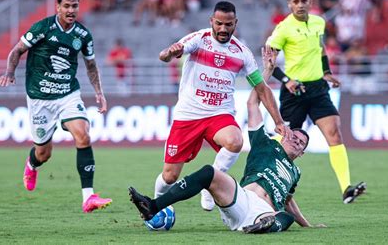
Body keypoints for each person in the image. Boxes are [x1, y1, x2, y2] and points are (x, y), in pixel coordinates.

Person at [128, 47, 325, 233]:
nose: (297, 141)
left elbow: (289, 201)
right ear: (284, 136)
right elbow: (252, 104)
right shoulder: (265, 144)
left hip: (267, 210)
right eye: (294, 136)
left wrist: (308, 226)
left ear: (302, 153)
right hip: (241, 199)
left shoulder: (294, 172)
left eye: (302, 143)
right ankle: (152, 206)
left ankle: (264, 224)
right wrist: (267, 70)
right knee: (208, 172)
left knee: (285, 216)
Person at [155, 1, 292, 212]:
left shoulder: (241, 52)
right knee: (170, 176)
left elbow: (262, 89)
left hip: (219, 113)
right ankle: (156, 204)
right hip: (188, 114)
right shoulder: (198, 39)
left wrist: (279, 121)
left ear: (235, 23)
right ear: (211, 21)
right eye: (218, 23)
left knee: (235, 141)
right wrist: (169, 53)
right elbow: (165, 56)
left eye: (228, 24)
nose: (223, 29)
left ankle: (210, 181)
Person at [0, 0, 112, 213]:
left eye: (75, 6)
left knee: (83, 135)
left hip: (68, 94)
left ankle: (88, 197)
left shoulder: (83, 35)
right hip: (39, 98)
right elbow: (17, 50)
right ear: (58, 7)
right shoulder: (43, 27)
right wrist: (9, 72)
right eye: (66, 6)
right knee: (43, 153)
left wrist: (99, 92)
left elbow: (90, 65)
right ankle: (32, 164)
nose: (71, 10)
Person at [266, 0, 366, 203]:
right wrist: (286, 80)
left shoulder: (319, 22)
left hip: (318, 89)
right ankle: (264, 181)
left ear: (310, 2)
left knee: (335, 134)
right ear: (289, 5)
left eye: (304, 1)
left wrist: (327, 72)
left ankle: (346, 188)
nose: (300, 5)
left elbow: (320, 49)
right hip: (294, 91)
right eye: (296, 2)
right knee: (285, 142)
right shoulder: (283, 28)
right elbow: (269, 61)